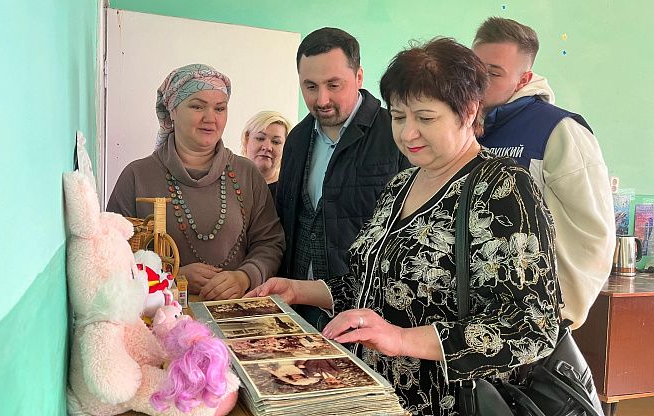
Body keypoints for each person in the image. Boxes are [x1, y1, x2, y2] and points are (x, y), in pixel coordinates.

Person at [247, 38, 561, 415]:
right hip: (378, 397)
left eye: (425, 118)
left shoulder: (503, 189)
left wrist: (401, 339)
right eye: (398, 117)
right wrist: (299, 290)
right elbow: (371, 287)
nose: (408, 133)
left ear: (468, 111)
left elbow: (532, 327)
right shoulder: (402, 184)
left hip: (448, 403)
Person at [472, 17, 615, 328]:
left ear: (523, 79)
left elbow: (594, 236)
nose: (477, 82)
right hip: (472, 315)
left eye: (493, 73)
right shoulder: (463, 129)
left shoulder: (559, 131)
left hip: (530, 320)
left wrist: (559, 313)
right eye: (473, 70)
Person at [107, 64, 284, 301]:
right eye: (197, 106)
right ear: (172, 111)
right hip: (160, 315)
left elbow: (270, 243)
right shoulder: (137, 176)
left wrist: (244, 277)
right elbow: (112, 254)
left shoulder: (247, 174)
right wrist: (171, 276)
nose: (210, 118)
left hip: (235, 313)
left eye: (220, 108)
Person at [275, 27, 408, 330]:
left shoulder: (396, 135)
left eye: (333, 85)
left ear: (359, 77)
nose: (321, 99)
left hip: (367, 312)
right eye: (310, 86)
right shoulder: (296, 139)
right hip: (297, 307)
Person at [239, 110, 293, 199]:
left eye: (276, 142)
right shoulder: (227, 183)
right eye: (260, 138)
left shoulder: (290, 191)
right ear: (246, 140)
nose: (267, 147)